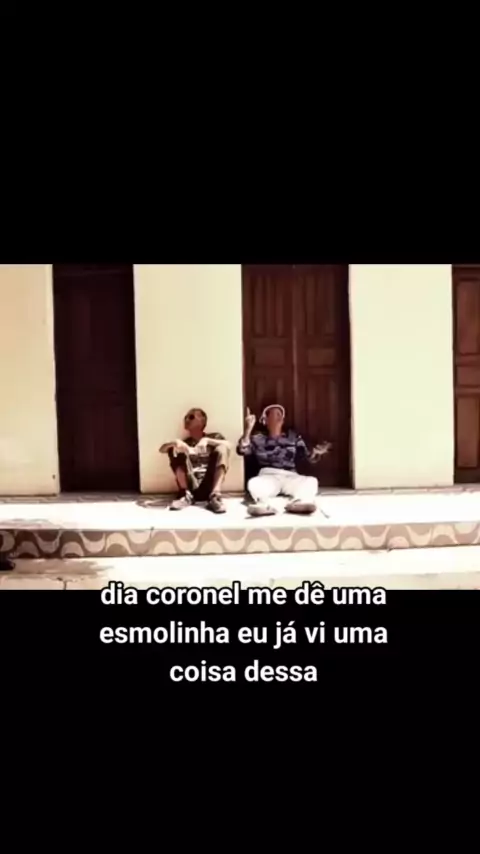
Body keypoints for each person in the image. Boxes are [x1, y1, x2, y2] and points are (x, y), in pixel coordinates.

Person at [237, 404, 331, 516]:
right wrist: (248, 429)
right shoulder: (258, 438)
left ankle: (299, 503)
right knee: (253, 483)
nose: (280, 417)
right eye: (276, 414)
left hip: (290, 475)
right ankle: (264, 505)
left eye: (281, 415)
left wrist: (316, 452)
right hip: (268, 475)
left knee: (311, 481)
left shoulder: (293, 437)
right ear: (265, 420)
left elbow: (308, 456)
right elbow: (242, 450)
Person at [159, 408, 231, 513]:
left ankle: (215, 497)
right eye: (186, 417)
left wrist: (206, 440)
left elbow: (229, 445)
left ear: (202, 421)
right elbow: (162, 449)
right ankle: (185, 495)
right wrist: (175, 442)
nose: (187, 420)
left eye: (191, 417)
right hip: (191, 484)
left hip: (209, 483)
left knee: (222, 448)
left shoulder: (214, 437)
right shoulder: (185, 443)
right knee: (174, 449)